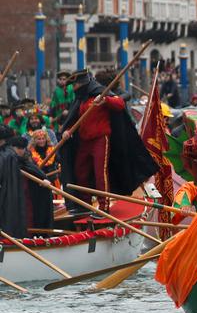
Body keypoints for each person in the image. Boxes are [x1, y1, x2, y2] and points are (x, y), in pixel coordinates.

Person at [58, 70, 158, 215]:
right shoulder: (80, 99)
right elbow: (74, 119)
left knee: (100, 173)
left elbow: (119, 104)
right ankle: (85, 206)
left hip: (100, 139)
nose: (73, 88)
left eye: (75, 85)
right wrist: (67, 131)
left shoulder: (102, 93)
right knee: (81, 172)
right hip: (84, 141)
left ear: (82, 84)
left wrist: (106, 100)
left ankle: (104, 207)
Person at [0, 129, 53, 236]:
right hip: (11, 199)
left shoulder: (20, 160)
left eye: (22, 148)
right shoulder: (8, 156)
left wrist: (44, 181)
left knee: (27, 216)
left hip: (25, 198)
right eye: (19, 148)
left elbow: (36, 172)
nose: (21, 151)